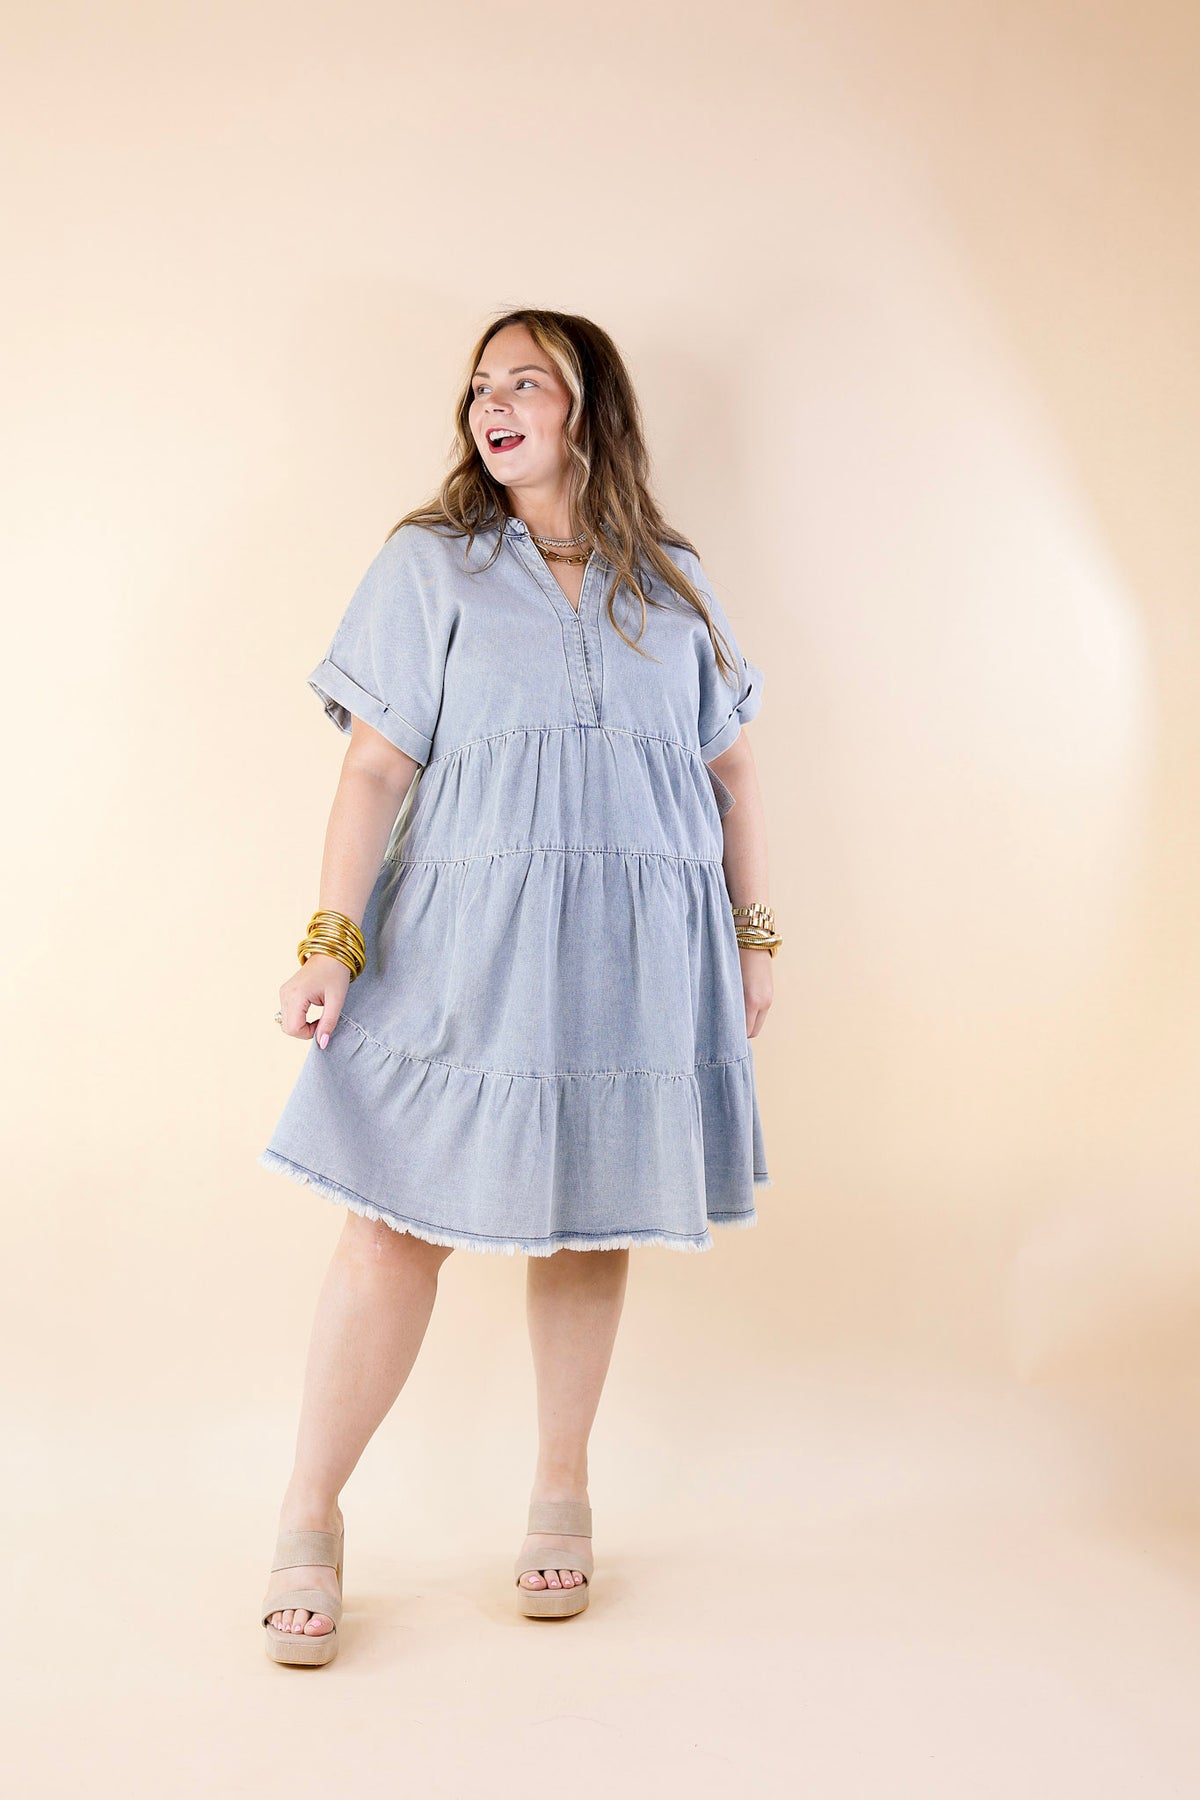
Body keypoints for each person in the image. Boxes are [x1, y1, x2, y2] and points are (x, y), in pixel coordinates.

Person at [257, 307, 780, 1664]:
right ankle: (308, 1512)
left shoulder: (672, 582)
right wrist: (330, 938)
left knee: (590, 1223)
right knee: (391, 1227)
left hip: (632, 952)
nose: (493, 405)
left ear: (589, 408)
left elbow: (728, 765)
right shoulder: (431, 564)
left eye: (526, 382)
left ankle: (561, 1489)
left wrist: (752, 937)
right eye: (481, 386)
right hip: (462, 943)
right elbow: (375, 766)